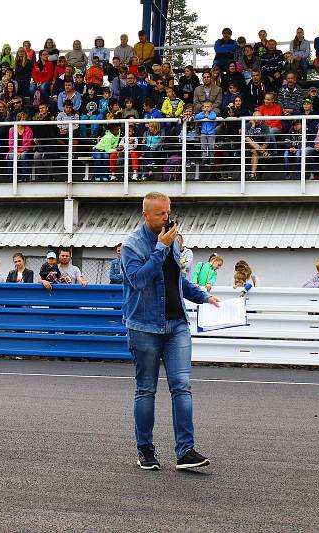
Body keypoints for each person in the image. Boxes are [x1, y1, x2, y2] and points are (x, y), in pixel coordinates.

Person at [121, 191, 219, 470]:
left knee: (182, 387)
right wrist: (161, 249)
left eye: (168, 211)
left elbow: (179, 281)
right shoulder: (131, 246)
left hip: (177, 325)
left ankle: (185, 451)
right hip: (144, 327)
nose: (167, 217)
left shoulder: (172, 240)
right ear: (145, 215)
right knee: (145, 390)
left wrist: (203, 297)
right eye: (160, 214)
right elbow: (138, 281)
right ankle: (145, 450)